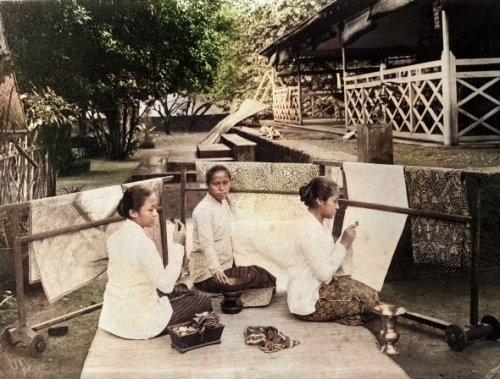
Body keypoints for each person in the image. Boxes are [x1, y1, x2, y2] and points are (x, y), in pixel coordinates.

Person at [99, 185, 212, 339]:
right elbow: (166, 286)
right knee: (202, 300)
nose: (155, 214)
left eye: (156, 208)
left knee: (180, 290)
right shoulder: (143, 243)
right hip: (140, 323)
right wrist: (178, 245)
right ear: (133, 212)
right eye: (150, 209)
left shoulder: (114, 238)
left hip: (115, 318)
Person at [287, 176, 379, 325]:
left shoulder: (319, 224)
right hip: (307, 301)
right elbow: (323, 273)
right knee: (369, 300)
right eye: (334, 201)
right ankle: (349, 318)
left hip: (321, 287)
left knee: (372, 293)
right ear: (319, 201)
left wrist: (345, 241)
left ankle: (350, 318)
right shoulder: (308, 229)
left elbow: (328, 259)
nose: (337, 207)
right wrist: (343, 243)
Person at [190, 164, 276, 293]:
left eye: (225, 183)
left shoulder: (224, 202)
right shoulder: (203, 210)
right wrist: (215, 269)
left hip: (226, 266)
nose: (222, 188)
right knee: (254, 275)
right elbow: (206, 244)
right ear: (208, 185)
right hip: (207, 275)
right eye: (216, 184)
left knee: (264, 273)